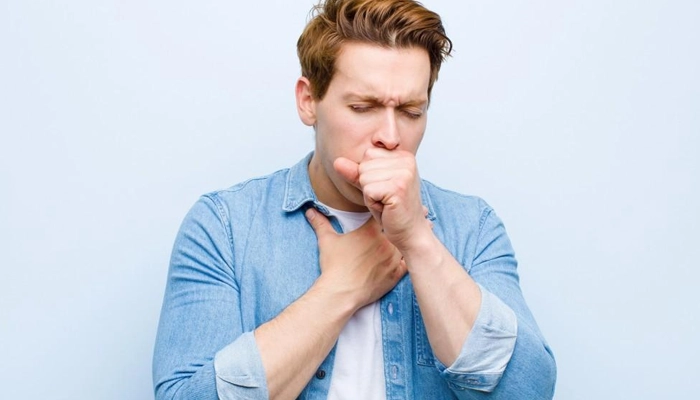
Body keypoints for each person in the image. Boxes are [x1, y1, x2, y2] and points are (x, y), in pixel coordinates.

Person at [152, 0, 557, 398]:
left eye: (411, 112)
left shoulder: (473, 227)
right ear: (308, 101)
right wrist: (342, 287)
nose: (391, 137)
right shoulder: (224, 226)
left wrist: (418, 241)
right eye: (363, 107)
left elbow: (528, 391)